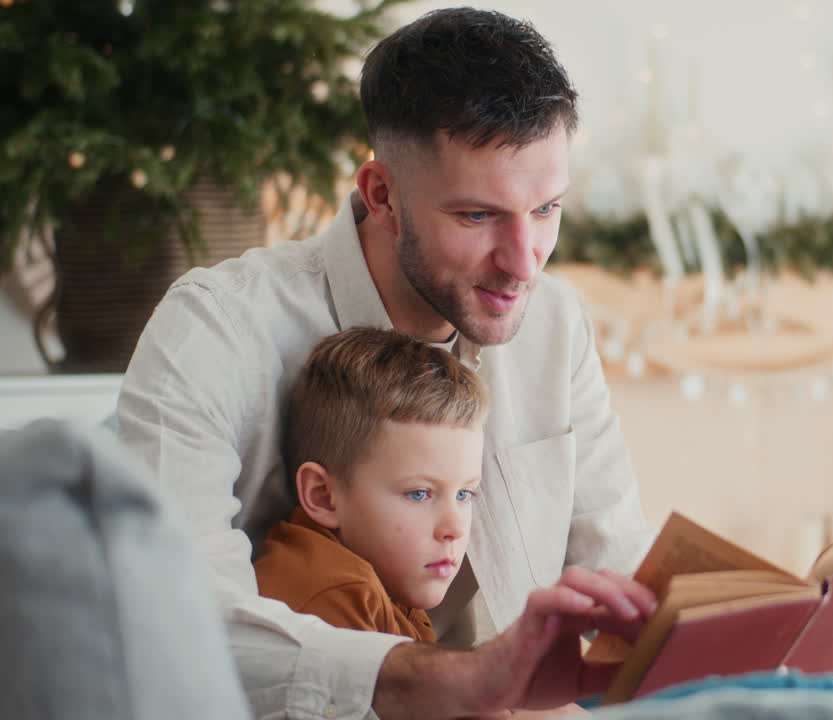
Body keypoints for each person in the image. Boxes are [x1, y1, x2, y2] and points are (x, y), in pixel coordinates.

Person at [116, 7, 656, 718]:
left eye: (547, 208)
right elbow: (172, 615)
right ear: (382, 196)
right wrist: (456, 681)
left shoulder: (554, 323)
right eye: (477, 216)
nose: (524, 263)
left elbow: (614, 560)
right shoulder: (215, 330)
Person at [254, 327, 489, 644]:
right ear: (323, 496)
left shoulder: (392, 580)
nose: (454, 528)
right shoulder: (334, 594)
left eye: (463, 494)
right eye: (419, 494)